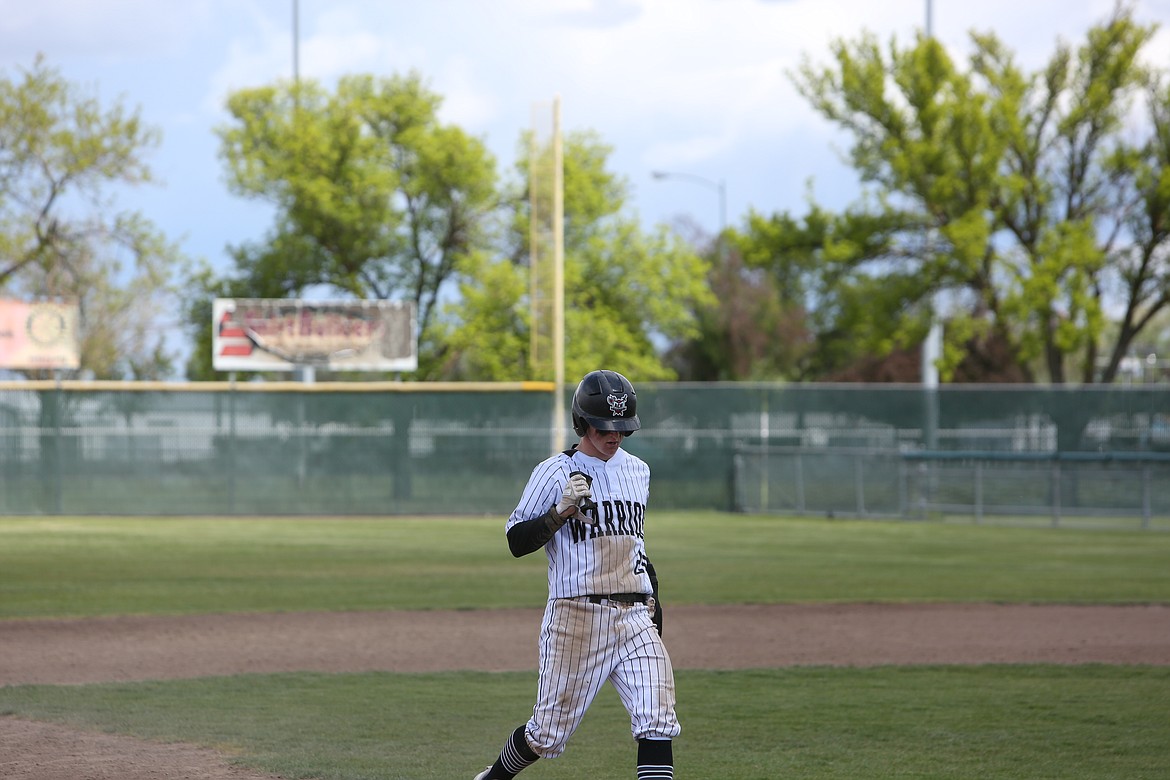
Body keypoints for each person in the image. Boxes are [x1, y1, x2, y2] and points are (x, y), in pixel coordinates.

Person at [474, 369, 680, 780]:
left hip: (635, 615)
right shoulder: (553, 472)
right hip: (577, 618)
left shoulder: (638, 471)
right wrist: (560, 512)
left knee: (658, 719)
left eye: (622, 427)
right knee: (546, 735)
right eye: (605, 426)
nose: (614, 435)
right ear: (583, 423)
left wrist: (653, 597)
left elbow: (633, 541)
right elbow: (517, 541)